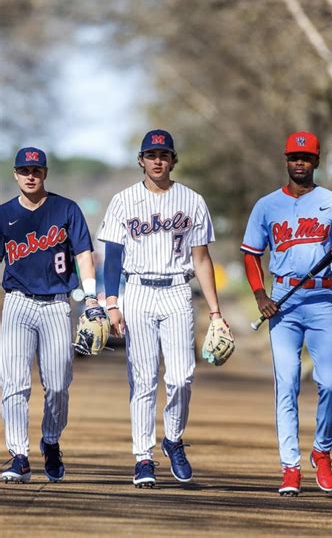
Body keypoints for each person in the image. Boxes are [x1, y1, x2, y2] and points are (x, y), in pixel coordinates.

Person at [98, 129, 228, 488]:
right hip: (137, 290)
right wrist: (112, 304)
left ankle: (172, 439)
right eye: (151, 154)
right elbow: (113, 257)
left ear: (173, 160)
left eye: (164, 154)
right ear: (141, 160)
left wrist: (216, 313)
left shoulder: (192, 200)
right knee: (143, 380)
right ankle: (143, 456)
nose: (158, 160)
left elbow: (202, 259)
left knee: (182, 376)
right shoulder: (123, 200)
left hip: (176, 291)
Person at [241, 131, 332, 496]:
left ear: (316, 162)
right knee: (287, 384)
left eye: (306, 158)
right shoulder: (266, 205)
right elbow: (251, 253)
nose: (299, 163)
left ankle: (322, 450)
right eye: (293, 157)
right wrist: (261, 296)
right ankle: (290, 466)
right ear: (286, 160)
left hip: (321, 299)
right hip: (283, 301)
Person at [0, 147, 101, 483]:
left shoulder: (66, 209)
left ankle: (52, 440)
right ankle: (18, 455)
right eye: (25, 170)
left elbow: (84, 253)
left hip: (58, 303)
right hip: (17, 302)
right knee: (13, 383)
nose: (31, 175)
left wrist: (90, 298)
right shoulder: (4, 215)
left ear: (45, 174)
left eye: (37, 170)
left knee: (58, 384)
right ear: (15, 174)